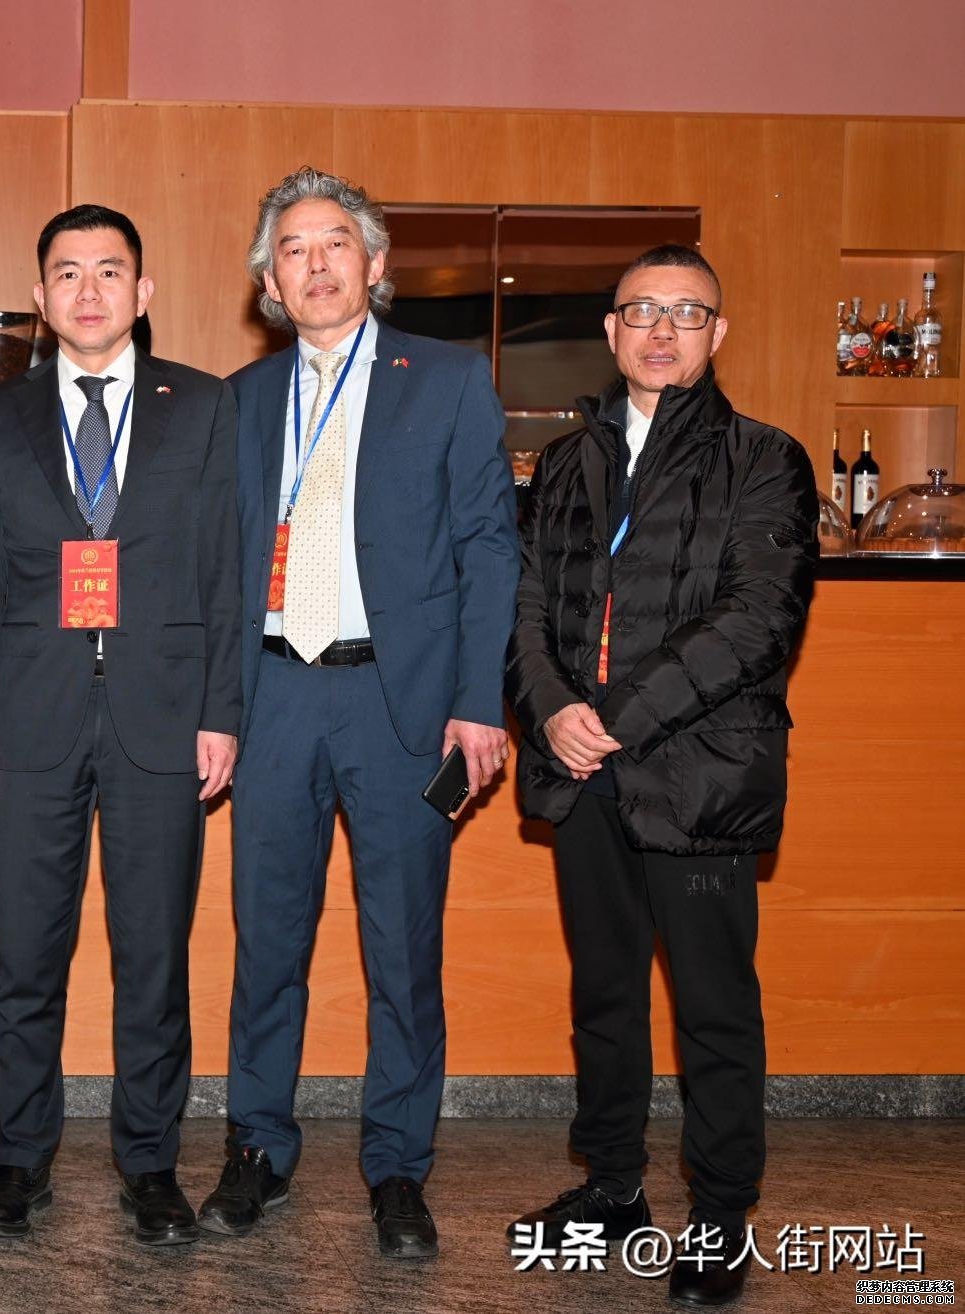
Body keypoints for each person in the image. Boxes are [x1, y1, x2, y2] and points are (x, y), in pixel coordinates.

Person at [200, 166, 518, 1258]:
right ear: (269, 284)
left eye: (335, 242)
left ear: (374, 264)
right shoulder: (239, 400)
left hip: (403, 705)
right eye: (292, 250)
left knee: (402, 949)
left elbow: (488, 547)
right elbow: (217, 568)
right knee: (266, 944)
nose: (316, 264)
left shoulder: (448, 379)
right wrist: (213, 707)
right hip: (274, 696)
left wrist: (478, 703)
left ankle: (397, 1167)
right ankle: (256, 1147)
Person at [506, 244, 816, 1308]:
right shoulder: (564, 462)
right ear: (610, 330)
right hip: (583, 771)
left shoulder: (764, 459)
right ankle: (613, 1186)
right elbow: (526, 609)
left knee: (713, 1007)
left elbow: (758, 620)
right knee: (604, 994)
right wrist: (552, 710)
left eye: (686, 312)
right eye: (641, 310)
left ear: (717, 334)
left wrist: (615, 721)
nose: (661, 330)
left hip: (698, 774)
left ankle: (721, 1218)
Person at [0, 205, 239, 1246]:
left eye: (109, 271)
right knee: (26, 958)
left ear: (143, 292)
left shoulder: (201, 406)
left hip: (163, 719)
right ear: (39, 298)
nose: (88, 291)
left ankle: (150, 1164)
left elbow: (225, 567)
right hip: (30, 719)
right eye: (67, 273)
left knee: (152, 959)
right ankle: (17, 1162)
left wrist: (220, 712)